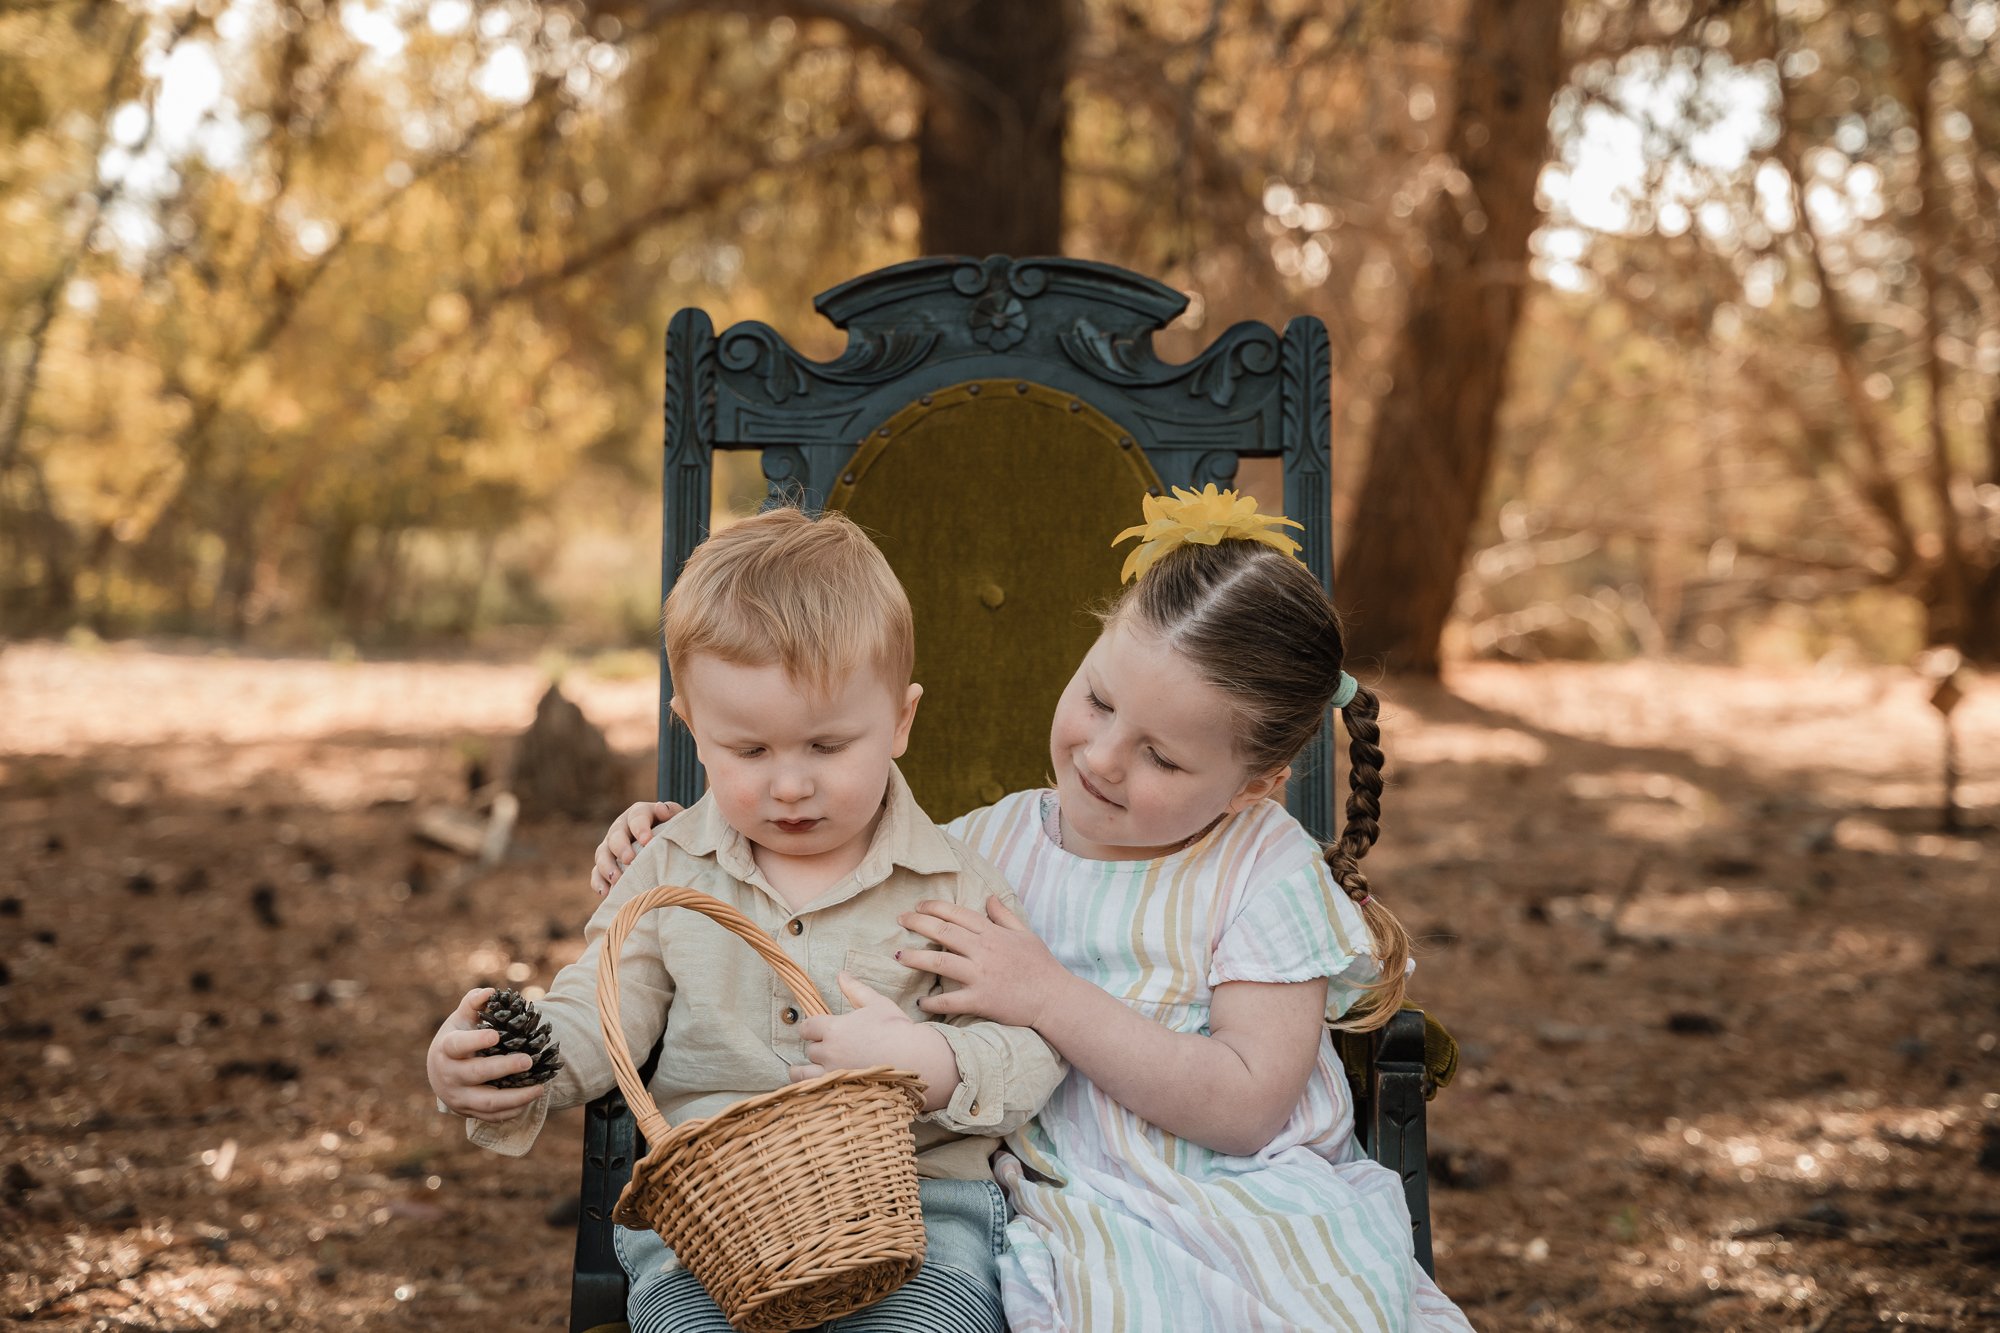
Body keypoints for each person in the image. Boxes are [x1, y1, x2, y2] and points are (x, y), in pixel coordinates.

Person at [592, 487, 1473, 1331]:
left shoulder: (1262, 868)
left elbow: (1245, 1107)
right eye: (1097, 698)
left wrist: (1047, 995)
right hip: (1052, 1204)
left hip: (1238, 1203)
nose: (1102, 757)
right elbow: (832, 877)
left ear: (1256, 784)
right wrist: (684, 839)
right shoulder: (992, 842)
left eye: (1162, 758)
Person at [430, 506, 1063, 1333]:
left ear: (901, 721)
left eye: (827, 747)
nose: (790, 784)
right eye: (750, 752)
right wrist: (509, 1065)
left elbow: (1032, 1049)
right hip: (705, 1231)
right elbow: (599, 1013)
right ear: (693, 731)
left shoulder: (952, 882)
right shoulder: (666, 868)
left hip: (918, 1219)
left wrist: (934, 1060)